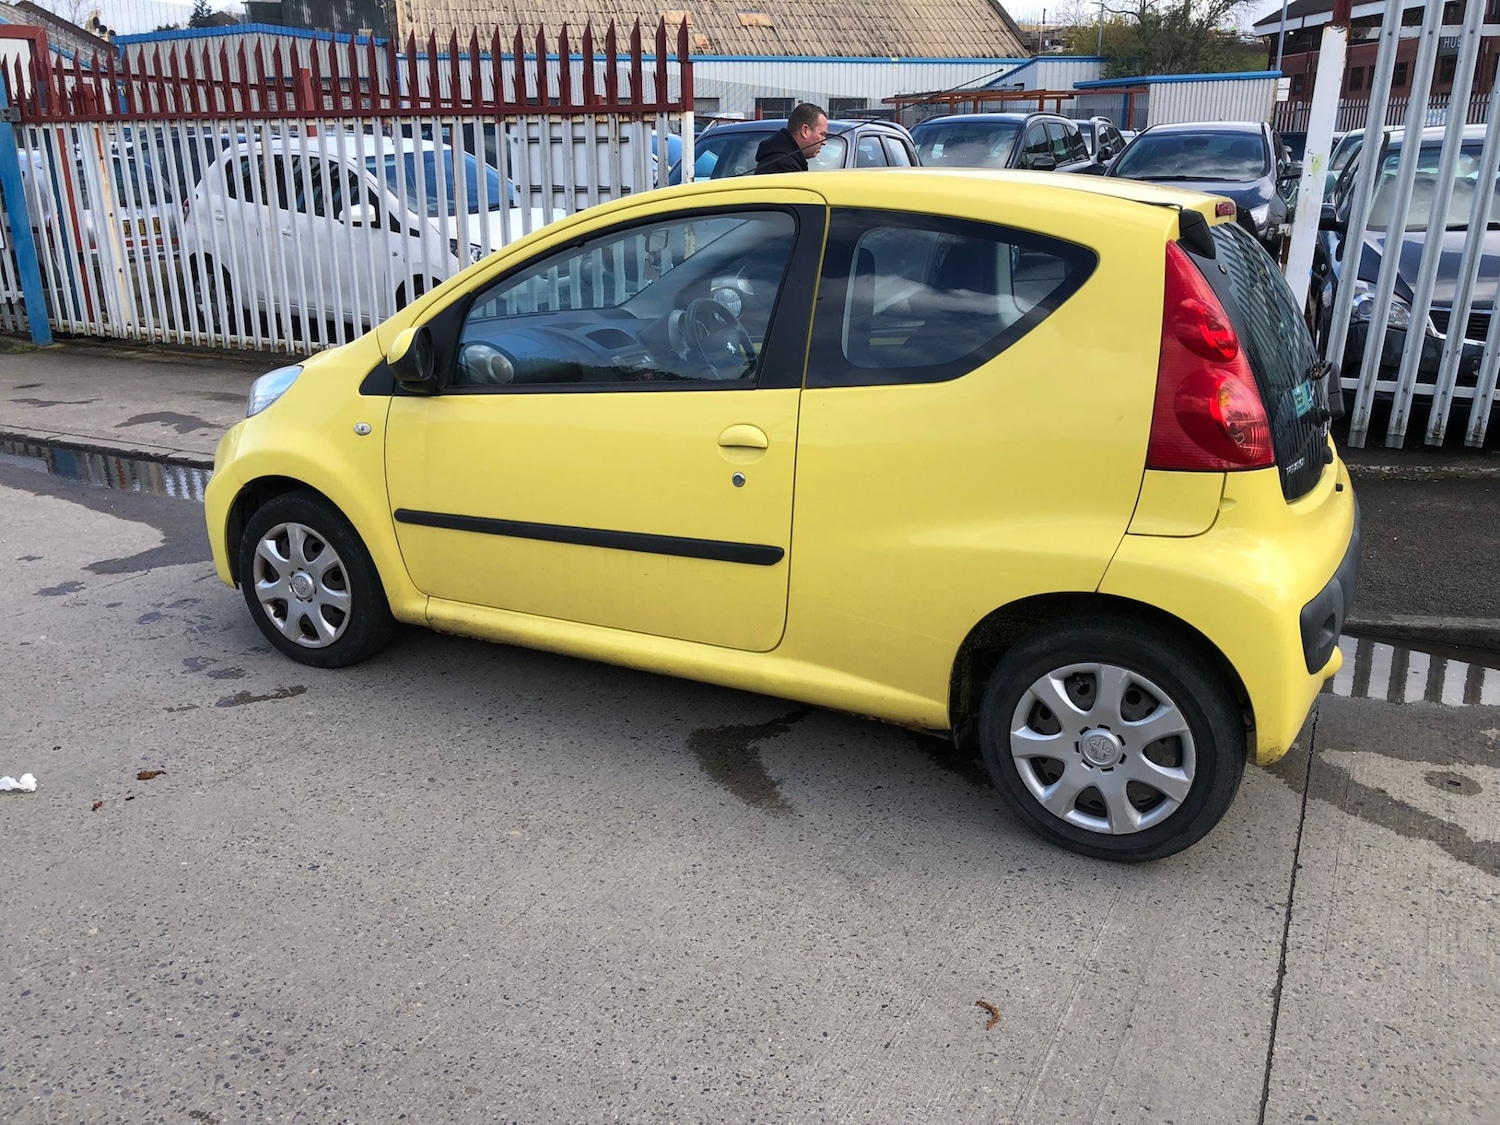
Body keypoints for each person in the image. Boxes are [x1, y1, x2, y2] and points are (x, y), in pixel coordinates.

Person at [752, 103, 829, 174]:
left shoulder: (783, 159)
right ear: (805, 131)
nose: (824, 142)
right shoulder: (784, 166)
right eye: (822, 134)